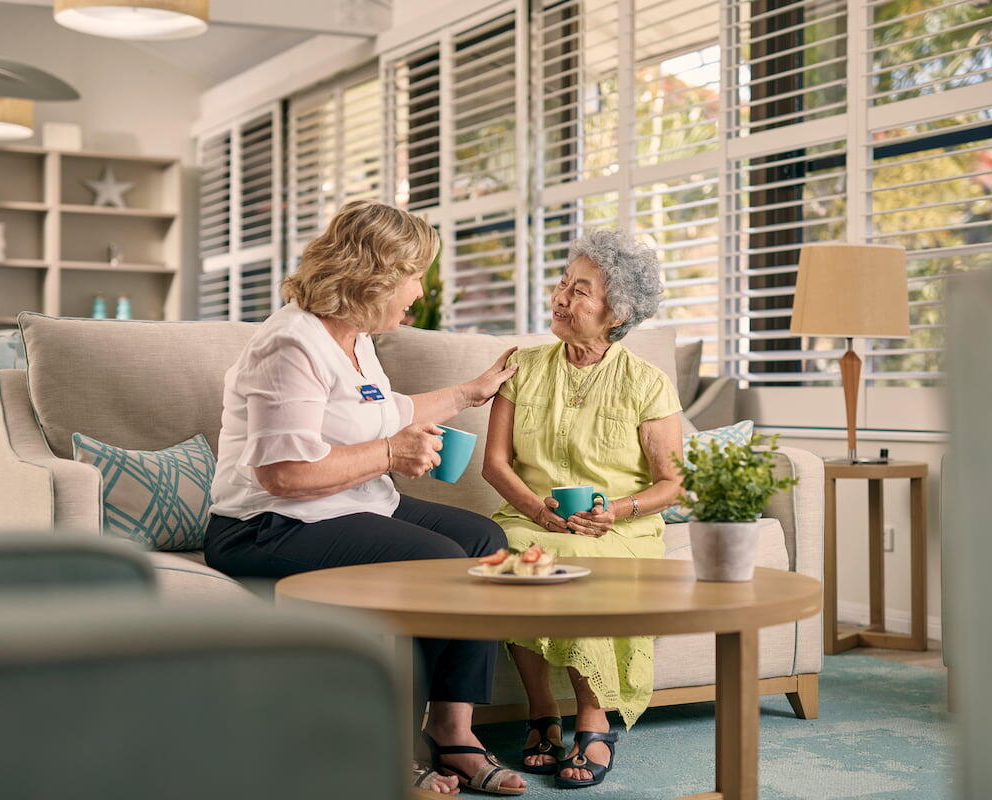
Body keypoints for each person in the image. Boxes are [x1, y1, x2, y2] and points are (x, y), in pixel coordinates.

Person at [204, 200, 526, 797]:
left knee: (485, 544)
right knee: (434, 564)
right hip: (269, 524)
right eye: (413, 274)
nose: (419, 289)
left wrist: (472, 391)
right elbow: (284, 475)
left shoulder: (354, 335)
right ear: (374, 273)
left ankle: (454, 737)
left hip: (351, 504)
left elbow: (386, 411)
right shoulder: (291, 344)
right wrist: (390, 456)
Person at [482, 229, 684, 789]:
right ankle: (541, 708)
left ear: (615, 312)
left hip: (620, 526)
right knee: (518, 548)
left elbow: (673, 483)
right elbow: (494, 465)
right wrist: (536, 510)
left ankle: (593, 718)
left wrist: (616, 510)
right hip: (530, 516)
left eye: (580, 291)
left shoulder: (646, 382)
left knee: (580, 558)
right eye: (562, 285)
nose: (561, 299)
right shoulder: (522, 366)